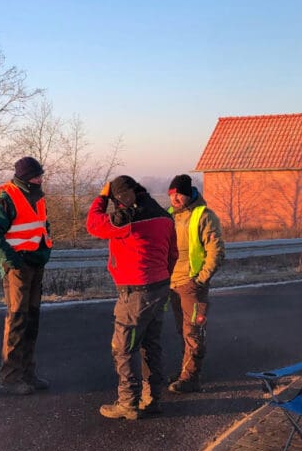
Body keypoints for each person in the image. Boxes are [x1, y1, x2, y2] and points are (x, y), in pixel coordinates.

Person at [86, 175, 177, 420]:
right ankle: (153, 397)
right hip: (160, 286)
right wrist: (163, 276)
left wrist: (101, 197)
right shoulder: (164, 217)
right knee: (151, 344)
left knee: (124, 347)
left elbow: (93, 224)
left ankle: (128, 402)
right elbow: (173, 254)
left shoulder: (127, 220)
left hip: (135, 290)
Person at [0, 156, 52, 395]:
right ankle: (10, 377)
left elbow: (42, 227)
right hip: (18, 269)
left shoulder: (37, 197)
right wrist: (14, 262)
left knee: (31, 320)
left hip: (34, 265)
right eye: (36, 175)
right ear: (25, 177)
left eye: (40, 175)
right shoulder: (6, 199)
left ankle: (27, 374)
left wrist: (44, 252)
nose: (40, 179)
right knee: (17, 320)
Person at [165, 174, 225, 394]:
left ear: (189, 193)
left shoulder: (204, 216)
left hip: (192, 284)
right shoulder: (170, 216)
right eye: (171, 194)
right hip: (172, 284)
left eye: (178, 194)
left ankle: (191, 378)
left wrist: (200, 279)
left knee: (193, 332)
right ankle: (185, 371)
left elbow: (216, 251)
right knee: (183, 331)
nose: (174, 198)